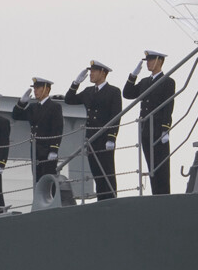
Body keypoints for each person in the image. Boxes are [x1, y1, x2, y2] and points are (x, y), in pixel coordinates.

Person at [64, 60, 122, 201]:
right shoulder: (88, 92)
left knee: (107, 172)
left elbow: (116, 116)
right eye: (90, 71)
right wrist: (75, 83)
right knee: (96, 172)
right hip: (91, 138)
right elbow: (69, 99)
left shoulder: (113, 91)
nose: (91, 74)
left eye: (94, 71)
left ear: (103, 73)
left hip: (104, 138)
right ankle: (101, 200)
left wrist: (111, 138)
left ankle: (111, 199)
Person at [125, 50, 176, 195]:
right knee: (151, 165)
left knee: (161, 166)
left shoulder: (167, 81)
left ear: (159, 61)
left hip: (159, 129)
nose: (148, 63)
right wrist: (133, 76)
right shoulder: (145, 82)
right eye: (147, 60)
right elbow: (128, 94)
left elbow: (168, 105)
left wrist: (166, 128)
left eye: (151, 60)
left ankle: (163, 195)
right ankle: (155, 194)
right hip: (146, 129)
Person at [11, 78, 65, 185]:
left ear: (47, 89)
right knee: (37, 181)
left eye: (38, 88)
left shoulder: (54, 107)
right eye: (34, 88)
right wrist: (21, 102)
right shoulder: (33, 107)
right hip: (35, 150)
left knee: (48, 181)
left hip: (47, 150)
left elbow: (57, 129)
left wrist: (54, 149)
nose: (35, 91)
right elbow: (16, 115)